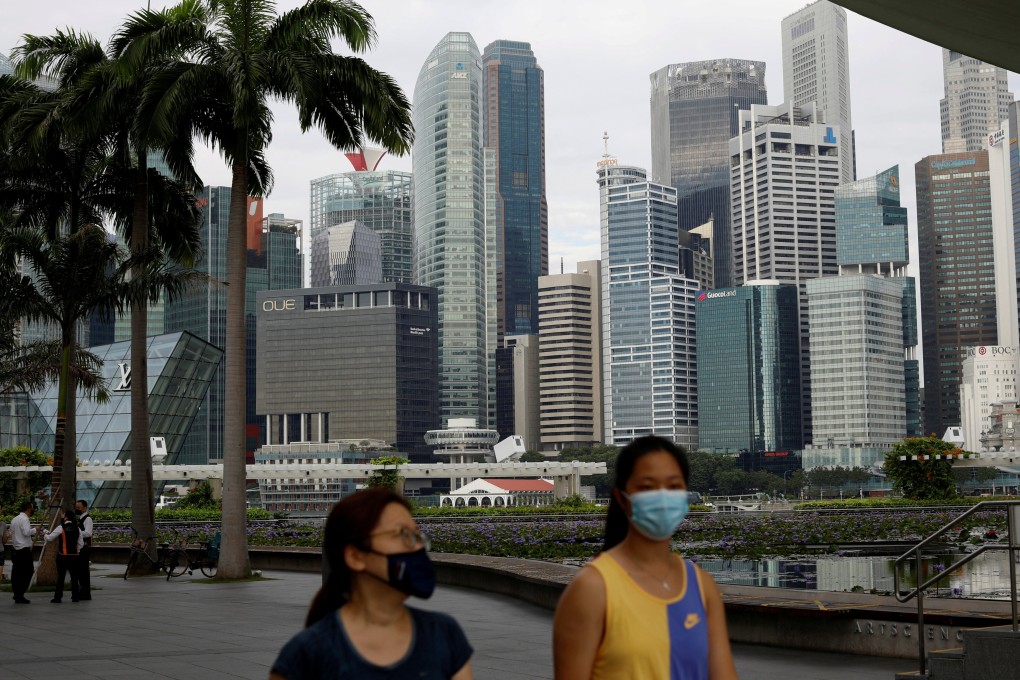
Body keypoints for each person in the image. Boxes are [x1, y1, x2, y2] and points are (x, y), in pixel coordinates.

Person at [553, 435, 738, 680]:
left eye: (673, 486)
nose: (662, 498)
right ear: (622, 499)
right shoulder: (592, 588)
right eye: (647, 487)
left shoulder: (702, 586)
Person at [269, 488, 473, 680]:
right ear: (356, 556)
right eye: (402, 535)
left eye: (417, 535)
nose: (418, 546)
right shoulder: (307, 655)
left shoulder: (444, 634)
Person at [42, 508, 83, 603]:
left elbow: (49, 538)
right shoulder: (78, 528)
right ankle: (75, 597)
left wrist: (45, 533)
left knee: (61, 577)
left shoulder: (61, 527)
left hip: (62, 556)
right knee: (74, 577)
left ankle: (58, 597)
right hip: (75, 556)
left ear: (66, 517)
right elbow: (80, 544)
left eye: (63, 515)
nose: (62, 516)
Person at [9, 501, 36, 604]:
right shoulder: (25, 519)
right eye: (32, 508)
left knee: (16, 573)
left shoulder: (14, 519)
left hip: (15, 549)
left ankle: (17, 594)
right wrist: (35, 529)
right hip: (24, 550)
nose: (33, 510)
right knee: (28, 571)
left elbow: (12, 533)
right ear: (29, 509)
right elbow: (26, 532)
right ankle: (20, 594)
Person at [75, 499, 93, 599]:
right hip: (80, 548)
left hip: (85, 547)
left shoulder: (87, 519)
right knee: (80, 571)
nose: (77, 509)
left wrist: (76, 532)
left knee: (84, 571)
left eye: (79, 508)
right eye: (76, 507)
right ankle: (83, 591)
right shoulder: (80, 519)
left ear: (84, 508)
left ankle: (86, 593)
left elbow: (88, 533)